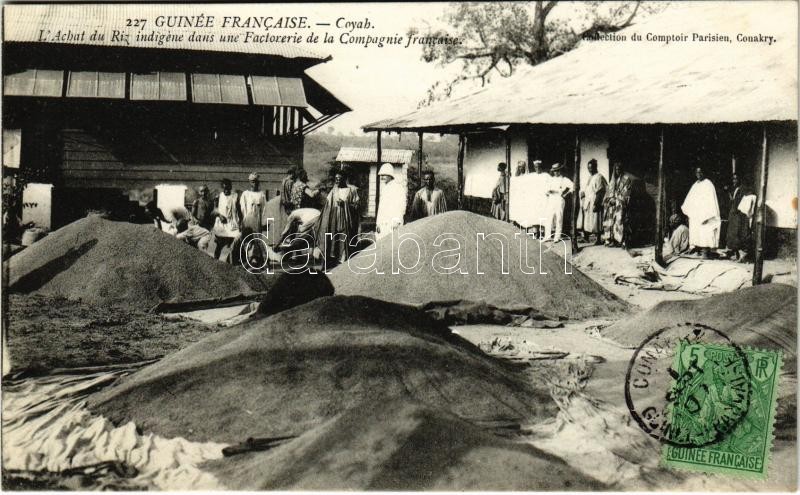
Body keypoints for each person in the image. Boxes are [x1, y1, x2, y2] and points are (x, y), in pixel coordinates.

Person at [316, 167, 360, 265]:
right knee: (334, 238)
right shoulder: (334, 191)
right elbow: (328, 205)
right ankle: (333, 260)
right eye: (336, 179)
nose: (337, 181)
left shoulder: (352, 190)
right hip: (334, 218)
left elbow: (356, 205)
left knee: (344, 238)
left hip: (346, 219)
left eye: (340, 179)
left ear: (344, 179)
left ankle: (343, 259)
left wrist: (345, 204)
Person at [681, 167, 720, 258]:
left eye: (701, 172)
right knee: (696, 232)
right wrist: (690, 211)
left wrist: (707, 216)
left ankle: (705, 251)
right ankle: (697, 249)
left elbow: (711, 201)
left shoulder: (708, 184)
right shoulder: (695, 185)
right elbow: (690, 199)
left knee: (705, 232)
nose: (699, 174)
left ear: (704, 173)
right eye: (697, 172)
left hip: (705, 214)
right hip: (696, 214)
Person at [603, 160, 633, 247]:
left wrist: (616, 200)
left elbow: (626, 194)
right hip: (613, 204)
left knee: (620, 218)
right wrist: (609, 200)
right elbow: (608, 192)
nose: (617, 171)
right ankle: (612, 239)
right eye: (616, 169)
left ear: (622, 169)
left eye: (619, 169)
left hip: (621, 204)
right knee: (609, 217)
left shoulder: (626, 180)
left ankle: (622, 241)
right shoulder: (613, 180)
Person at [578, 159, 607, 245]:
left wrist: (596, 203)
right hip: (588, 201)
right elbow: (588, 189)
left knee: (596, 220)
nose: (590, 170)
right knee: (587, 221)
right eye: (588, 168)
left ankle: (598, 239)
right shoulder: (590, 177)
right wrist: (583, 194)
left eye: (591, 168)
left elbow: (600, 191)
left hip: (595, 201)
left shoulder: (599, 177)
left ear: (595, 167)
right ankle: (586, 237)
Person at [375, 163, 407, 240]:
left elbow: (402, 205)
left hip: (393, 224)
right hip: (383, 225)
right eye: (381, 175)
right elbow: (381, 208)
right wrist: (378, 223)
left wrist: (396, 221)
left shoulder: (398, 187)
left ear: (391, 175)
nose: (382, 177)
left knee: (392, 246)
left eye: (385, 175)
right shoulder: (385, 188)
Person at [212, 178, 241, 262]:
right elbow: (214, 210)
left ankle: (232, 262)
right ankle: (214, 262)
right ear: (222, 188)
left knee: (234, 244)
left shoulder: (235, 196)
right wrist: (219, 215)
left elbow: (239, 210)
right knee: (219, 245)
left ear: (231, 187)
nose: (227, 190)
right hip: (222, 225)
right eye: (225, 188)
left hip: (232, 224)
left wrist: (241, 222)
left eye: (228, 188)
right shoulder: (219, 196)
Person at [543, 163, 574, 241]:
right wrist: (548, 192)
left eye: (557, 171)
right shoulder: (551, 179)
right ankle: (547, 236)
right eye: (554, 171)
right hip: (551, 199)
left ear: (560, 170)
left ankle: (557, 236)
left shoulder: (564, 179)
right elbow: (546, 190)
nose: (556, 172)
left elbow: (573, 187)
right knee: (549, 217)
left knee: (559, 218)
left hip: (559, 199)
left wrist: (566, 194)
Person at [725, 174, 751, 261]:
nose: (734, 181)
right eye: (733, 179)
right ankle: (737, 254)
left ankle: (741, 255)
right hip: (733, 214)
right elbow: (733, 201)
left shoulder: (741, 189)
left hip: (738, 215)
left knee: (737, 235)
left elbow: (737, 202)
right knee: (733, 234)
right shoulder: (736, 189)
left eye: (736, 179)